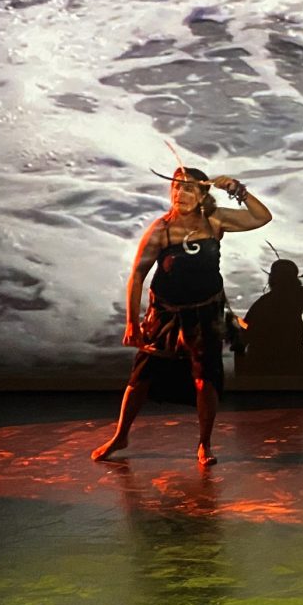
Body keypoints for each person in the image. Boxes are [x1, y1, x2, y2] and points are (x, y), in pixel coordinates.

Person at [92, 166, 272, 466]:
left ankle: (204, 444)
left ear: (202, 194)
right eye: (176, 187)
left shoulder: (214, 220)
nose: (180, 193)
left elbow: (262, 217)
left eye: (189, 188)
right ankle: (120, 435)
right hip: (164, 315)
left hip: (206, 314)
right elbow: (137, 275)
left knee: (205, 381)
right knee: (140, 380)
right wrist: (131, 322)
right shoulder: (161, 229)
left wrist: (236, 189)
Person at [234, 260, 303, 376]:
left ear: (272, 279)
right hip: (287, 365)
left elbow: (242, 338)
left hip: (261, 366)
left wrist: (241, 376)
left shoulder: (262, 304)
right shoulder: (297, 295)